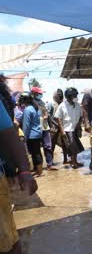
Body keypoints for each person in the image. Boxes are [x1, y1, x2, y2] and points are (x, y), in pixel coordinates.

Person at [0, 99, 38, 254]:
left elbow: (9, 134)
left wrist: (24, 171)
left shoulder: (30, 110)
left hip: (32, 137)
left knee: (7, 242)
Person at [55, 88, 84, 169]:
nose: (76, 97)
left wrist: (79, 128)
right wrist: (62, 131)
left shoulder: (77, 105)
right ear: (69, 96)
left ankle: (75, 161)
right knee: (71, 146)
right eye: (74, 95)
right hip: (67, 129)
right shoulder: (62, 106)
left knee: (76, 147)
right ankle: (73, 162)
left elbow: (81, 117)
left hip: (75, 129)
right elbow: (59, 119)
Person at [31, 87, 57, 171]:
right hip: (36, 128)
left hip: (45, 128)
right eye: (39, 94)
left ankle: (49, 164)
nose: (40, 95)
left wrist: (51, 125)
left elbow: (48, 115)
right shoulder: (31, 103)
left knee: (48, 146)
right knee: (36, 148)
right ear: (34, 94)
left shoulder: (42, 102)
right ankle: (38, 166)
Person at [21, 92, 44, 176]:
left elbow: (26, 125)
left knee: (35, 154)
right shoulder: (35, 107)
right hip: (38, 133)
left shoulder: (27, 109)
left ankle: (39, 172)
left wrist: (24, 136)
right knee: (37, 152)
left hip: (32, 135)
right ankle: (39, 170)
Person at [47, 89, 69, 165]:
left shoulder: (64, 103)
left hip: (63, 126)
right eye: (58, 94)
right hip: (54, 127)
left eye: (61, 94)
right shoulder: (51, 103)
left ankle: (65, 159)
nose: (59, 95)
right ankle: (51, 161)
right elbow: (48, 116)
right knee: (52, 144)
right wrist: (53, 125)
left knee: (64, 144)